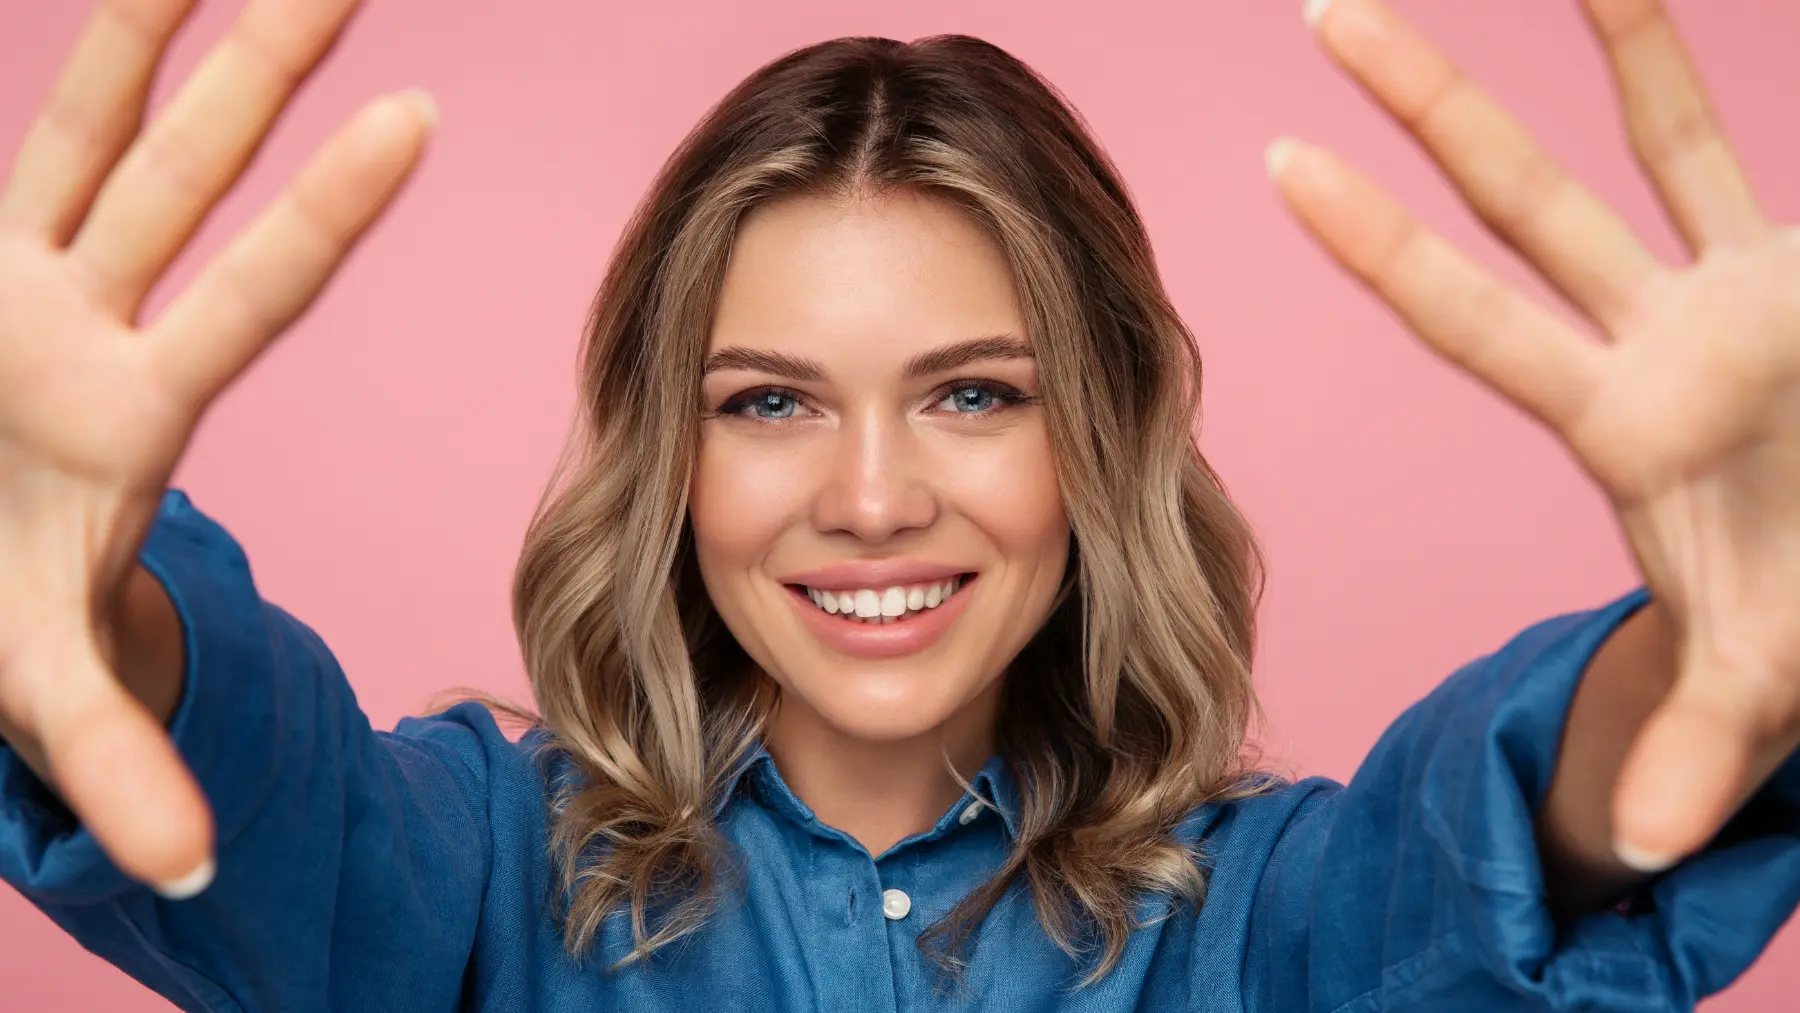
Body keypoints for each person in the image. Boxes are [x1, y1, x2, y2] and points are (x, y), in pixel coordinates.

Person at [2, 0, 1797, 1008]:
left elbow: (1491, 841)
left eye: (973, 394)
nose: (872, 499)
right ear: (667, 452)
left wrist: (1723, 631)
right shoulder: (475, 874)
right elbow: (260, 773)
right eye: (770, 402)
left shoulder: (1267, 923)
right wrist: (78, 595)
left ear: (1101, 429)